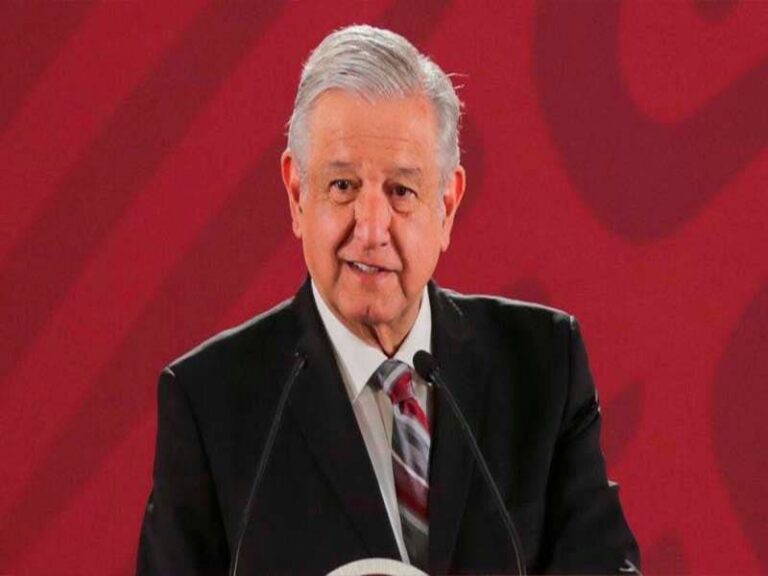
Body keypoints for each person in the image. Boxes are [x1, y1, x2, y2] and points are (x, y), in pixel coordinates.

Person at [137, 25, 640, 575]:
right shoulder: (210, 401)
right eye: (343, 186)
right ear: (297, 194)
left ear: (447, 205)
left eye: (401, 191)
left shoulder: (543, 367)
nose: (371, 229)